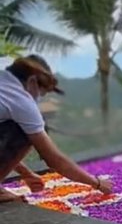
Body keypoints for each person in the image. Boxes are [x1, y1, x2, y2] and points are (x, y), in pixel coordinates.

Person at [0, 55, 113, 203]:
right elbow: (54, 159)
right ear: (32, 82)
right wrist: (96, 183)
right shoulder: (21, 100)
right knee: (28, 131)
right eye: (41, 93)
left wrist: (26, 173)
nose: (38, 98)